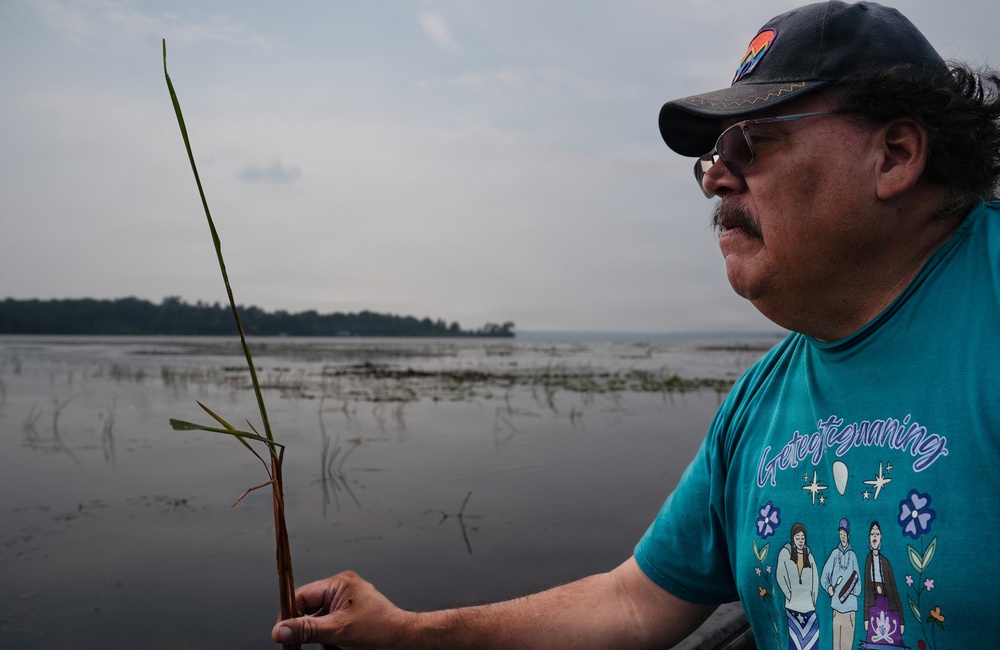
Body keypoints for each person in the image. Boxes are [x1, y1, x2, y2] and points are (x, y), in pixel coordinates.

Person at [272, 2, 1000, 648]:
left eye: (750, 142)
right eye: (713, 154)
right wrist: (406, 635)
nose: (715, 176)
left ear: (894, 155)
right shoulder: (758, 405)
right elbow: (633, 605)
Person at [776, 523, 819, 650]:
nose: (800, 541)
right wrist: (789, 595)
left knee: (813, 643)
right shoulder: (786, 554)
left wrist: (812, 601)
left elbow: (815, 581)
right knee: (794, 643)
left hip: (809, 609)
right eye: (797, 538)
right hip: (791, 608)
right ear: (793, 538)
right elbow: (780, 576)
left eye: (802, 538)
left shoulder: (809, 556)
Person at [820, 518, 860, 650]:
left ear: (848, 535)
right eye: (840, 534)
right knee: (836, 646)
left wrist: (853, 590)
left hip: (850, 609)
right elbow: (824, 577)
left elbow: (859, 585)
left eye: (844, 534)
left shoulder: (853, 556)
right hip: (836, 608)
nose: (842, 537)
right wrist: (829, 588)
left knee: (847, 646)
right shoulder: (834, 554)